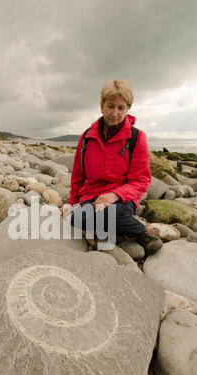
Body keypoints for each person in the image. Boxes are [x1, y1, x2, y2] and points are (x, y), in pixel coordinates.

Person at [60, 78, 163, 255]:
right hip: (91, 197)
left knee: (106, 215)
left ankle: (142, 233)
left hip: (122, 198)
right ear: (102, 105)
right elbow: (78, 176)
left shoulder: (136, 137)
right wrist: (72, 203)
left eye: (121, 107)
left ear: (127, 108)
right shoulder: (87, 137)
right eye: (110, 106)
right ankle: (120, 227)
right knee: (75, 218)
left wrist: (114, 195)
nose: (115, 113)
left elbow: (141, 180)